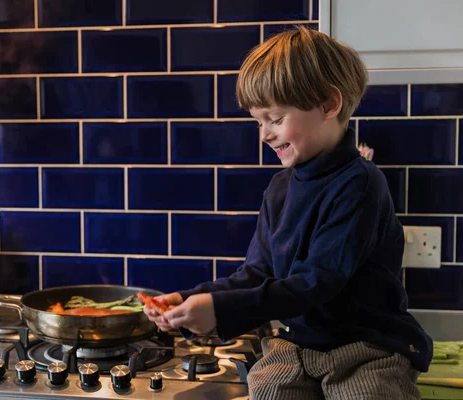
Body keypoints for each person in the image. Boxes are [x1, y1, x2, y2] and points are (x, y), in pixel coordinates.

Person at [143, 26, 432, 399]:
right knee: (267, 390)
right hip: (299, 345)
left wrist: (220, 309)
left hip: (368, 348)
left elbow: (318, 281)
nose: (264, 134)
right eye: (258, 121)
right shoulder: (280, 188)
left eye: (275, 119)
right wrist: (190, 299)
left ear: (329, 104)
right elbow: (257, 272)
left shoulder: (360, 183)